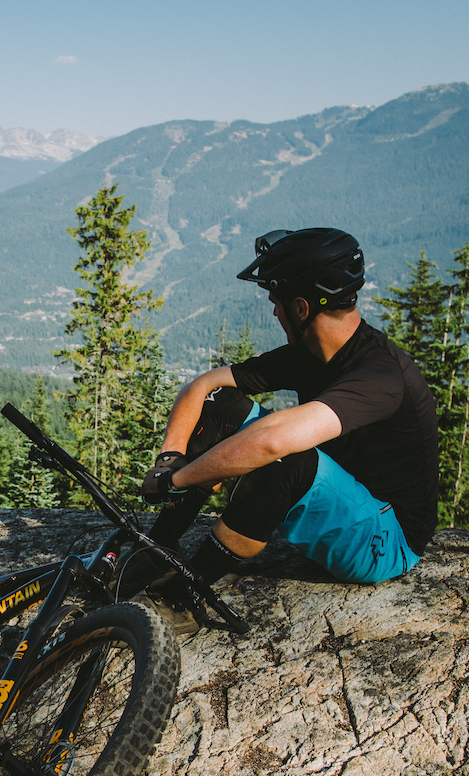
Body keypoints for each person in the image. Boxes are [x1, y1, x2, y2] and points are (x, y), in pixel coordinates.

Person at [128, 227, 439, 634]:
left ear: (301, 306)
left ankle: (182, 598)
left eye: (276, 302)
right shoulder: (311, 353)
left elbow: (274, 440)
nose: (274, 312)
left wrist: (181, 479)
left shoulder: (379, 375)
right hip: (344, 503)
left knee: (284, 457)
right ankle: (155, 550)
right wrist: (169, 459)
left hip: (385, 539)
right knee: (224, 406)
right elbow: (206, 387)